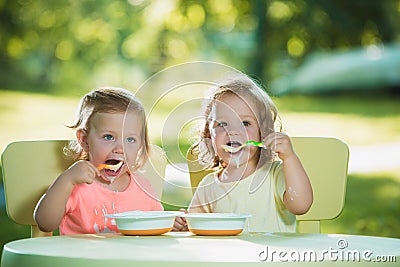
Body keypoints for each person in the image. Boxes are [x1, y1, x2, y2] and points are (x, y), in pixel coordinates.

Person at [174, 74, 313, 232]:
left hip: (271, 256)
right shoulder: (208, 186)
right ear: (209, 136)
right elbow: (195, 228)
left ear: (264, 132)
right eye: (222, 124)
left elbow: (301, 205)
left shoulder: (276, 174)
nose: (233, 131)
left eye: (245, 123)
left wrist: (290, 158)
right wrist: (183, 224)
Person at [34, 87, 163, 235]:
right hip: (80, 257)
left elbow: (157, 228)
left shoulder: (144, 188)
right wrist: (66, 180)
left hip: (127, 258)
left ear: (141, 144)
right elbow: (45, 223)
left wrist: (176, 226)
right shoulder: (74, 186)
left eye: (130, 139)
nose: (120, 149)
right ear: (85, 140)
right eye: (108, 137)